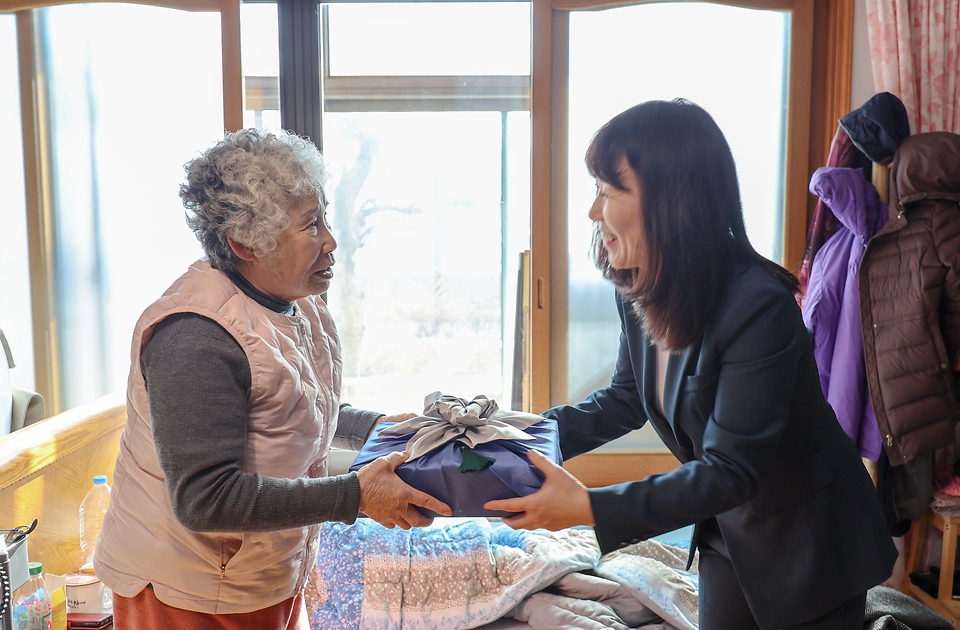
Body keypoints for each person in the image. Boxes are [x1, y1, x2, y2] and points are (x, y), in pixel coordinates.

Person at [484, 99, 898, 630]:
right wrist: (526, 439)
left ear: (670, 201)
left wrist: (589, 506)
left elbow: (731, 468)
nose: (593, 212)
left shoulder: (758, 307)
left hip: (810, 540)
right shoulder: (641, 286)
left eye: (608, 192)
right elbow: (626, 400)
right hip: (729, 529)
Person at [94, 128, 451, 630]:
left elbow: (290, 406)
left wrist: (382, 428)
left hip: (259, 572)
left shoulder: (296, 303)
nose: (330, 240)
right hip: (186, 593)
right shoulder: (196, 336)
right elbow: (205, 497)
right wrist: (355, 495)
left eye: (323, 217)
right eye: (311, 226)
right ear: (245, 243)